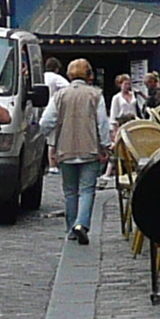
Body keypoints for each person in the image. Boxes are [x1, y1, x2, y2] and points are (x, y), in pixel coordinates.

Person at [50, 58, 109, 245]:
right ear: (89, 75)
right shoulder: (96, 95)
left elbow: (46, 121)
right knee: (86, 190)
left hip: (64, 149)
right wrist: (105, 146)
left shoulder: (59, 96)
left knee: (70, 191)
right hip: (89, 149)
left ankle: (71, 229)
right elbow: (102, 124)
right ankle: (82, 224)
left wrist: (52, 140)